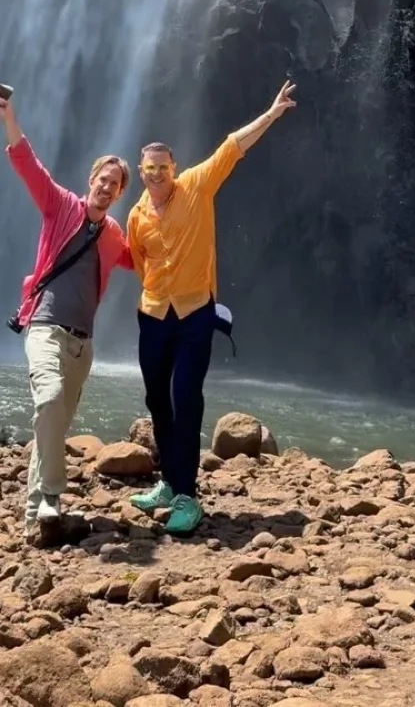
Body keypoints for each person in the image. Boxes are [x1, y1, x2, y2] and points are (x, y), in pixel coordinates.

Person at [127, 80, 297, 537]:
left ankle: (187, 496)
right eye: (150, 167)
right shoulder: (137, 216)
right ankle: (167, 484)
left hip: (194, 316)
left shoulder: (197, 187)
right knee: (155, 400)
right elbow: (139, 263)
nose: (157, 173)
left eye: (163, 166)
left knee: (186, 399)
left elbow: (230, 147)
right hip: (153, 315)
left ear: (174, 168)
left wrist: (272, 112)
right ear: (141, 172)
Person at [0, 95, 132, 528]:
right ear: (91, 179)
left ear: (120, 194)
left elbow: (147, 259)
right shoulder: (60, 205)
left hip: (82, 343)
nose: (107, 187)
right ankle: (53, 495)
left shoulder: (113, 235)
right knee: (50, 399)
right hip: (45, 327)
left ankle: (35, 509)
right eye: (103, 179)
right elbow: (27, 165)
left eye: (116, 185)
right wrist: (9, 119)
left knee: (53, 422)